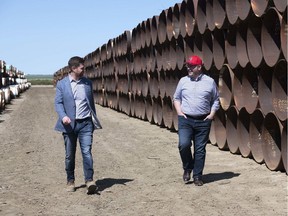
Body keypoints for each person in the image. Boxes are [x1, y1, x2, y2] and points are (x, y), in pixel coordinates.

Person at [54, 56, 100, 194]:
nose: (84, 69)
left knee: (86, 152)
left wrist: (92, 120)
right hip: (69, 125)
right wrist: (63, 116)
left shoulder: (87, 83)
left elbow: (90, 102)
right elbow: (58, 103)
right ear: (73, 68)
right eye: (82, 67)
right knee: (70, 155)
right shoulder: (62, 84)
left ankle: (89, 180)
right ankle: (70, 181)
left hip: (86, 123)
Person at [173, 55, 220, 186]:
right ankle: (187, 168)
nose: (188, 68)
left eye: (191, 66)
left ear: (199, 67)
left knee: (200, 149)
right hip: (186, 119)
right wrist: (179, 112)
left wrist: (211, 115)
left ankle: (198, 175)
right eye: (188, 65)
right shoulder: (183, 81)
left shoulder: (209, 82)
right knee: (184, 144)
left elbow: (216, 99)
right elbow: (176, 98)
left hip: (203, 120)